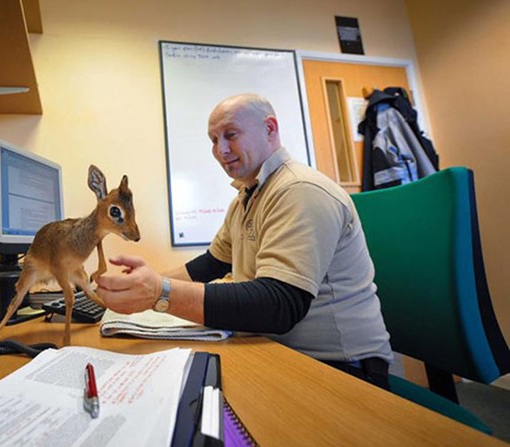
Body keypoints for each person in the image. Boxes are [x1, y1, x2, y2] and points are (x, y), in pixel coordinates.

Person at [95, 93, 393, 389]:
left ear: (270, 128)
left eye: (230, 135)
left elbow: (279, 305)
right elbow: (211, 264)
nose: (221, 150)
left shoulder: (300, 190)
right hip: (278, 349)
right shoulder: (245, 199)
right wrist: (140, 284)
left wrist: (159, 293)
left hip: (341, 367)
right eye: (213, 139)